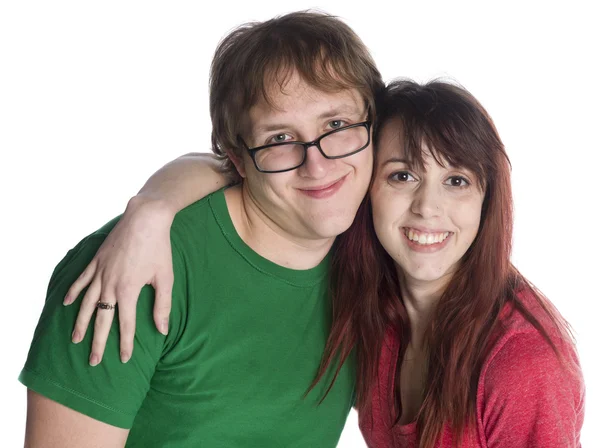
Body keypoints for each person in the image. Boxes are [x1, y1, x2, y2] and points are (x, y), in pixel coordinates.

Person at [62, 80, 585, 447]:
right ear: (362, 181)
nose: (429, 209)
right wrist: (151, 210)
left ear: (487, 199)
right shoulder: (365, 294)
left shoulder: (522, 363)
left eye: (457, 181)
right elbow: (238, 167)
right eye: (402, 176)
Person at [19, 11, 384, 447]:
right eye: (280, 139)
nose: (318, 164)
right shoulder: (132, 269)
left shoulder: (375, 257)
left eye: (337, 125)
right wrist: (150, 209)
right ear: (236, 155)